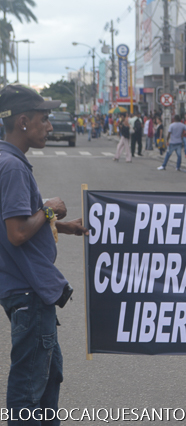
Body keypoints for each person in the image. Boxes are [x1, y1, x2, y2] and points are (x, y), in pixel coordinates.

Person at [0, 84, 88, 425]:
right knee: (29, 389)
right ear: (23, 121)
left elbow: (13, 220)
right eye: (44, 119)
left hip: (24, 290)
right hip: (28, 290)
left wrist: (64, 227)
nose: (50, 126)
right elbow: (17, 232)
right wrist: (49, 209)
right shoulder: (13, 167)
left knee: (49, 377)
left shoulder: (7, 161)